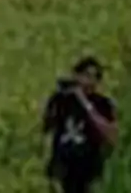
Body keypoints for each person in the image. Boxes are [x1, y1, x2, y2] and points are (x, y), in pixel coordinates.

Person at [42, 56, 120, 193]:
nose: (89, 81)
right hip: (63, 168)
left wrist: (85, 104)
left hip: (87, 170)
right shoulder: (61, 100)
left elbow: (111, 136)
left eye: (95, 77)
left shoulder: (102, 104)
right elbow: (47, 132)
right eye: (86, 75)